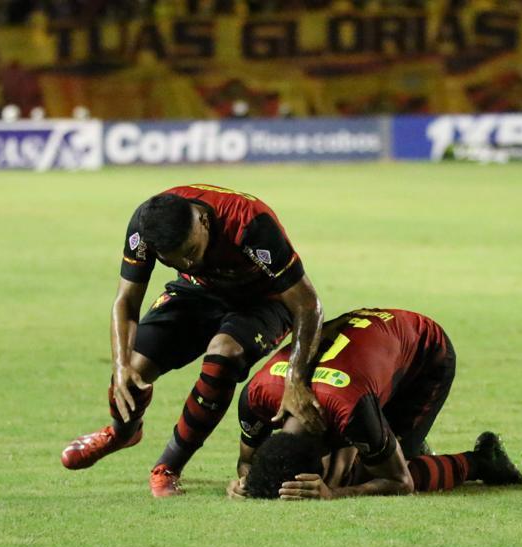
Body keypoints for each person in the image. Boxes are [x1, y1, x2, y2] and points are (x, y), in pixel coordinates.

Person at [62, 184, 325, 497]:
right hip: (198, 292)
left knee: (223, 354)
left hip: (263, 300)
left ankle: (168, 467)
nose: (186, 263)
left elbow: (309, 305)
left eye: (189, 253)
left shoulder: (250, 225)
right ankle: (122, 433)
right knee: (132, 365)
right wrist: (119, 366)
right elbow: (126, 302)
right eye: (174, 261)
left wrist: (295, 379)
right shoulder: (145, 227)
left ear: (202, 221)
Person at [227, 307, 522, 500]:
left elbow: (400, 482)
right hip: (365, 364)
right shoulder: (255, 397)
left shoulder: (349, 409)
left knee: (378, 473)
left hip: (422, 354)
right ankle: (387, 441)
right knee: (362, 456)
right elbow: (247, 462)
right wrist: (247, 483)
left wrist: (335, 492)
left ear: (322, 453)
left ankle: (481, 461)